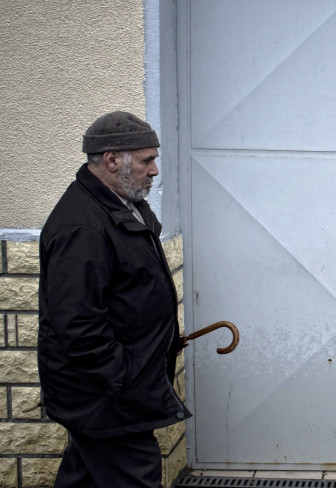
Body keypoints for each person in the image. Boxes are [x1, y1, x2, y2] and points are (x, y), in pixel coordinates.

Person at [38, 111, 191, 487]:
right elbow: (77, 321)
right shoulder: (83, 226)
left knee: (85, 478)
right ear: (111, 160)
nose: (154, 170)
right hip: (107, 398)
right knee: (134, 474)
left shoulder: (122, 205)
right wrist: (122, 377)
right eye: (146, 160)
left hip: (111, 393)